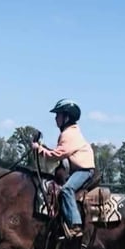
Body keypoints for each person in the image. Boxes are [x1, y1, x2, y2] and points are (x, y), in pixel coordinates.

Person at [32, 98, 96, 238]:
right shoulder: (71, 132)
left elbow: (56, 155)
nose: (56, 118)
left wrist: (39, 149)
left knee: (67, 189)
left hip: (83, 171)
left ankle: (75, 225)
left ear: (66, 117)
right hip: (80, 169)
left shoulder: (69, 134)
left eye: (58, 114)